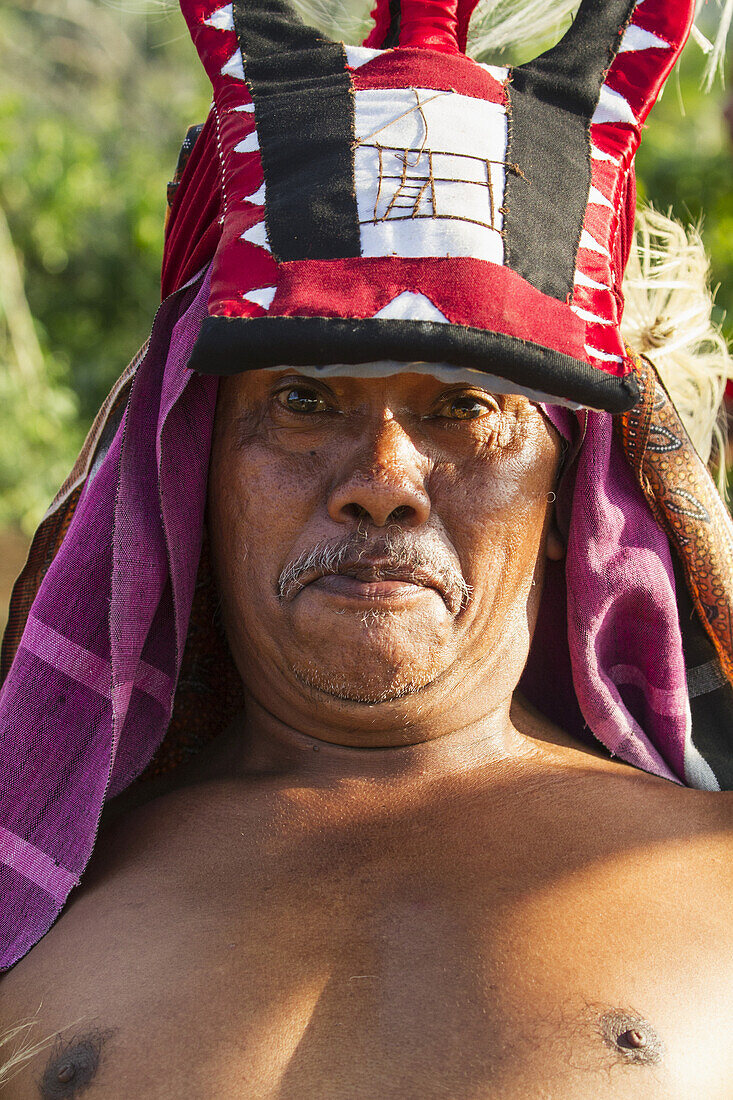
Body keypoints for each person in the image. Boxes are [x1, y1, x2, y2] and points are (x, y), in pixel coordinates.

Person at [1, 0, 732, 1095]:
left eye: (462, 408)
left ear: (571, 495)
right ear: (189, 468)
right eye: (303, 399)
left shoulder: (713, 875)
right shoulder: (32, 896)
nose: (383, 483)